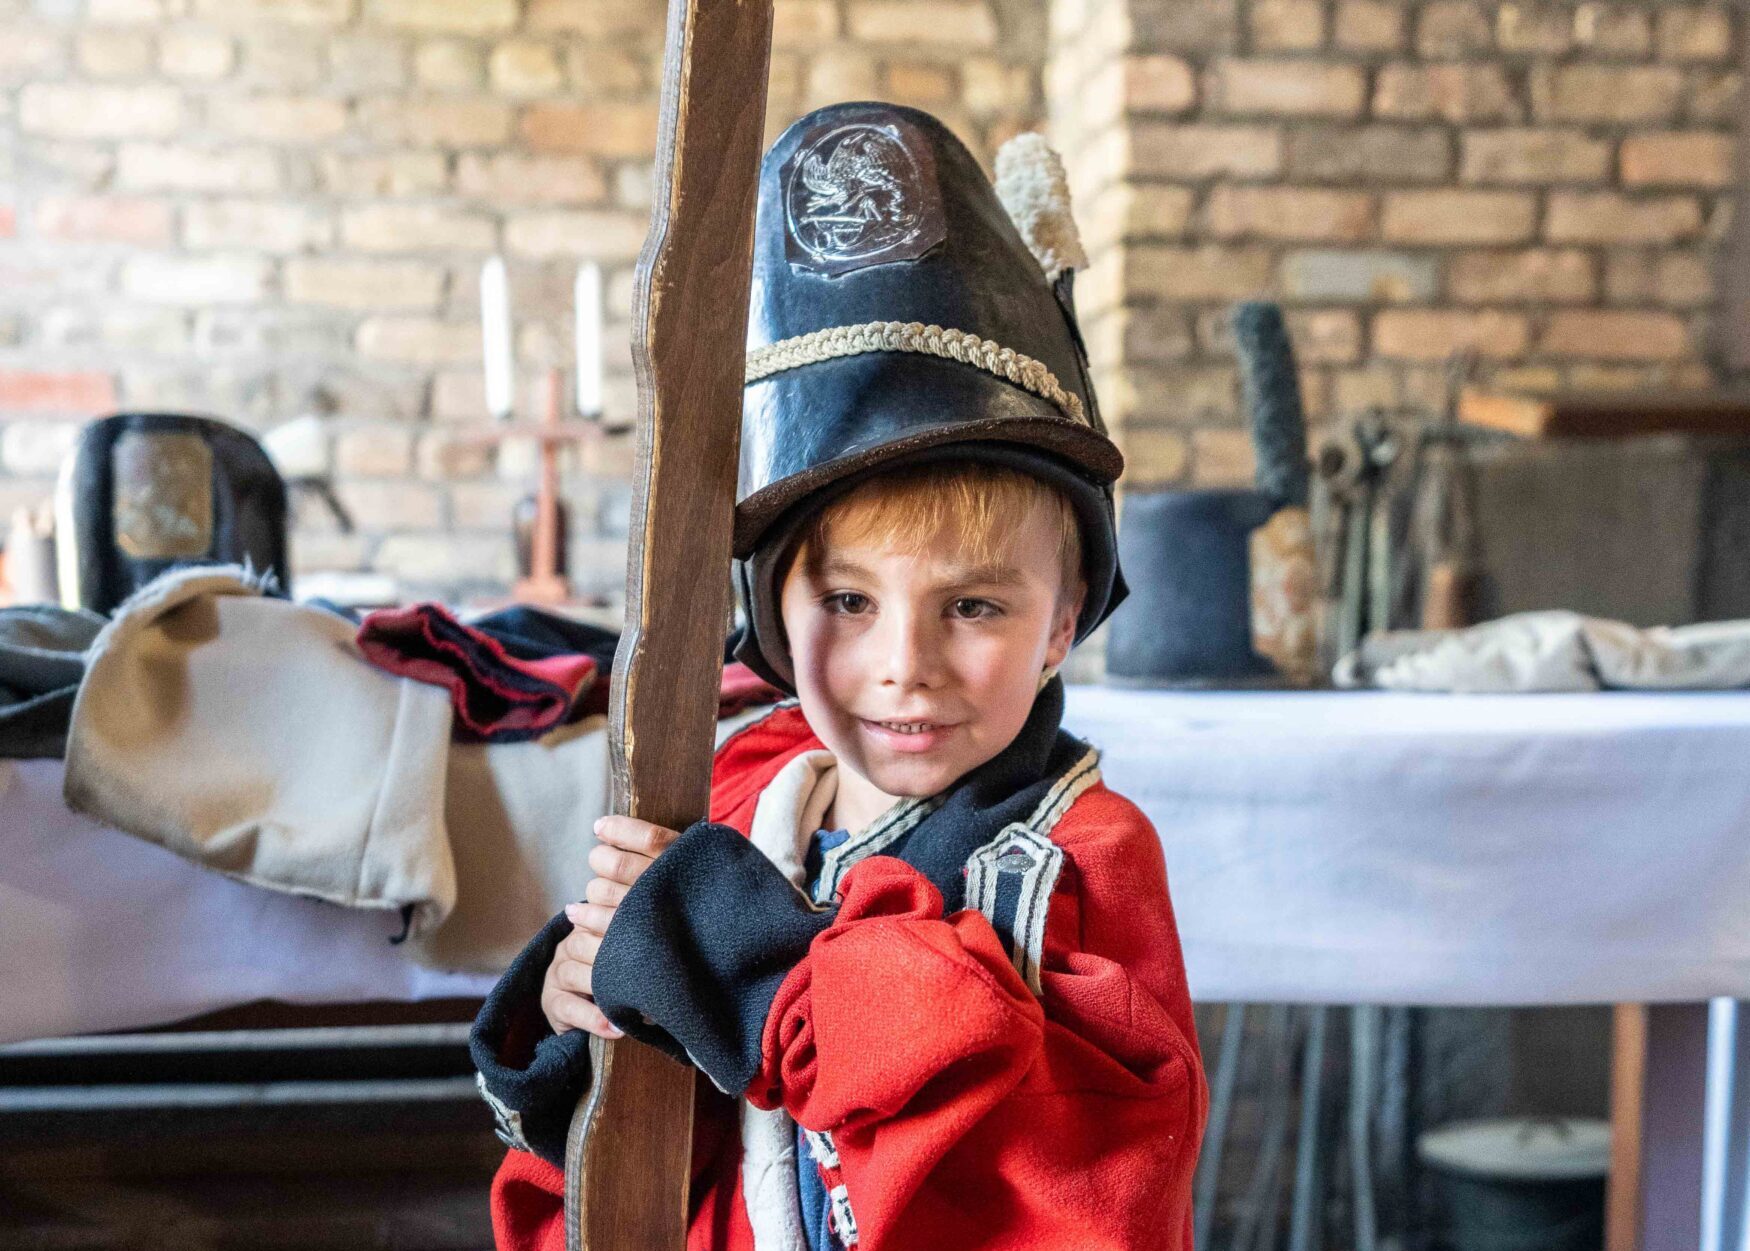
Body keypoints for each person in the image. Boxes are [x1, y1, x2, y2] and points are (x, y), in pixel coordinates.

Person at [471, 101, 1207, 1251]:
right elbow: (631, 1143)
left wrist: (757, 973)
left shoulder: (1083, 860)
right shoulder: (739, 792)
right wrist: (587, 1016)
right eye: (849, 602)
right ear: (768, 615)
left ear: (1063, 622)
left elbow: (1068, 1169)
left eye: (973, 606)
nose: (903, 668)